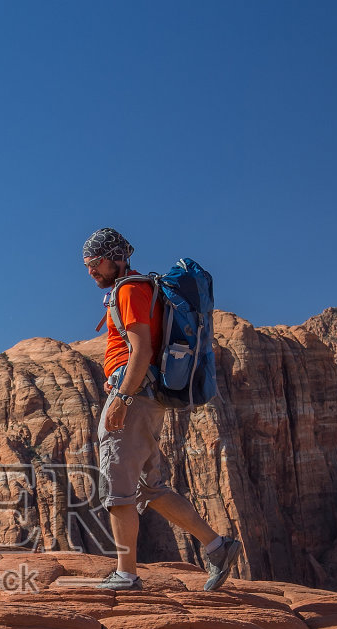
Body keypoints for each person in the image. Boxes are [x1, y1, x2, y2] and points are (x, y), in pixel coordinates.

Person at [82, 227, 240, 592]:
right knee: (148, 486)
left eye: (95, 262)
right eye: (87, 264)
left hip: (134, 398)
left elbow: (142, 351)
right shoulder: (137, 288)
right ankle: (217, 547)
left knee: (117, 486)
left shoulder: (128, 290)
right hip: (143, 394)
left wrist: (122, 397)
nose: (90, 270)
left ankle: (126, 575)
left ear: (115, 258)